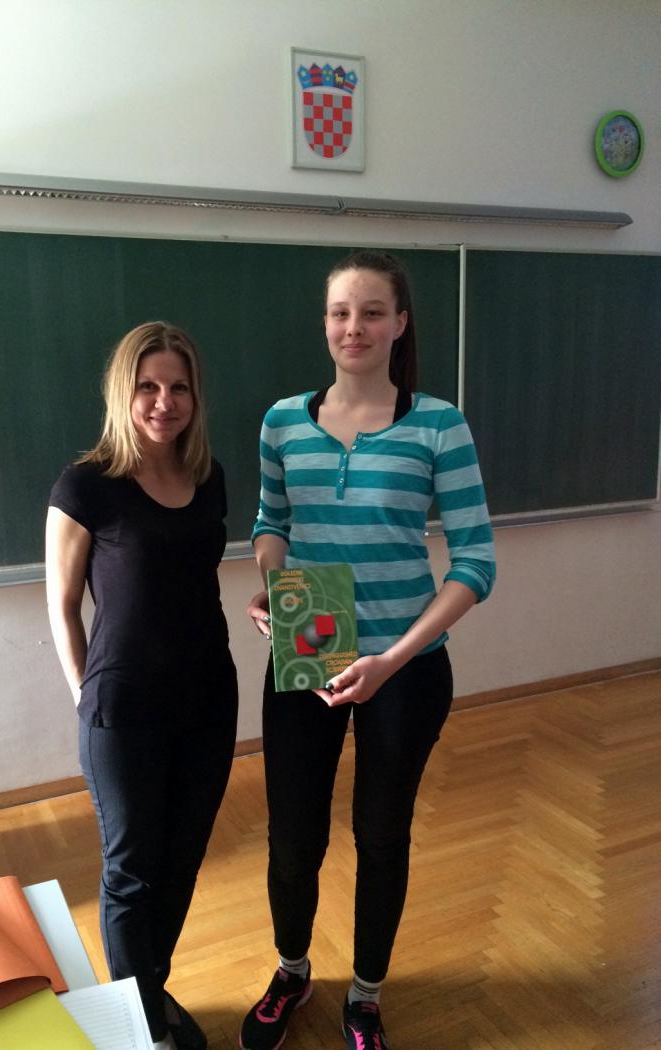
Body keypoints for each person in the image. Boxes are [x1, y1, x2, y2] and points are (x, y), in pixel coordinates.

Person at [239, 251, 496, 1050]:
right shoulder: (283, 421)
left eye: (371, 312)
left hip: (404, 667)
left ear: (399, 324)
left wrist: (393, 659)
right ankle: (290, 972)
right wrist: (277, 587)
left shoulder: (438, 424)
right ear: (325, 323)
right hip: (310, 641)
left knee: (381, 837)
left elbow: (474, 563)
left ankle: (365, 997)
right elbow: (270, 522)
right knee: (293, 837)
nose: (353, 327)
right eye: (340, 312)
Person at [45, 322, 238, 1050]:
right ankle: (143, 1031)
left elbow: (196, 582)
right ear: (122, 393)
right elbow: (62, 606)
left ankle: (146, 995)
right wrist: (84, 696)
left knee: (180, 862)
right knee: (131, 874)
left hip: (209, 701)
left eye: (178, 387)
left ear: (195, 396)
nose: (164, 401)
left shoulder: (209, 476)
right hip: (122, 711)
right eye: (148, 386)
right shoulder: (85, 485)